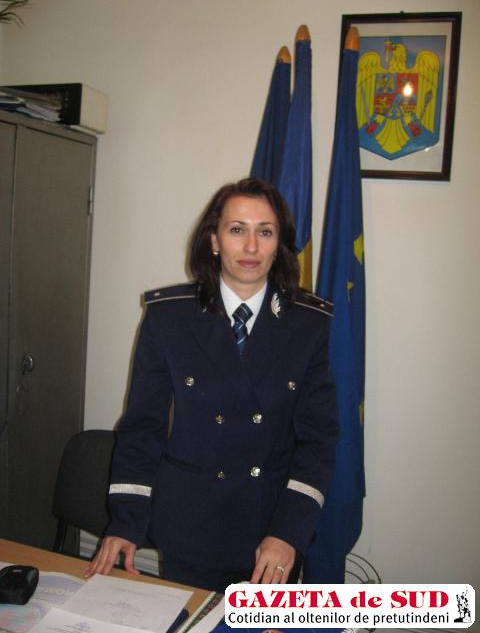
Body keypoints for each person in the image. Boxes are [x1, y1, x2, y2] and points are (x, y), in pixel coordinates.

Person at [85, 177, 338, 591]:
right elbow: (143, 427)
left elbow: (318, 442)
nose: (251, 247)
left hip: (271, 531)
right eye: (237, 230)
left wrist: (289, 531)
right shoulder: (169, 318)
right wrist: (126, 521)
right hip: (192, 526)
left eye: (265, 232)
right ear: (214, 240)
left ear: (279, 244)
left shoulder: (308, 325)